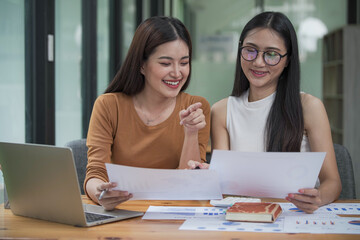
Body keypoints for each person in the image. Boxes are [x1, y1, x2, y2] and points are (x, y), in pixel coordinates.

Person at [188, 11, 341, 213]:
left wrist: (317, 198)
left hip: (295, 216)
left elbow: (333, 182)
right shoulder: (222, 111)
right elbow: (223, 187)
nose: (258, 62)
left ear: (287, 60)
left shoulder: (309, 107)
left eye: (271, 54)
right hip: (244, 216)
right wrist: (211, 177)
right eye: (250, 50)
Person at [85, 16, 210, 210]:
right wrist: (101, 194)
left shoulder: (196, 106)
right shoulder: (109, 106)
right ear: (142, 65)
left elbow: (189, 183)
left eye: (184, 63)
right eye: (166, 63)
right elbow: (95, 173)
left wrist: (191, 132)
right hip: (123, 213)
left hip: (175, 215)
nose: (177, 73)